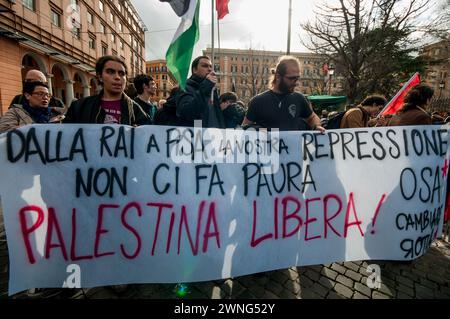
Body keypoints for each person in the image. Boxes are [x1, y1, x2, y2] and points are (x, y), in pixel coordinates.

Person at [242, 56, 324, 132]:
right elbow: (245, 126)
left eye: (297, 78)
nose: (296, 82)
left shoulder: (299, 98)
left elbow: (312, 117)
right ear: (278, 76)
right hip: (268, 146)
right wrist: (263, 132)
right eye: (292, 78)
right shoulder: (257, 101)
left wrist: (316, 126)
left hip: (293, 147)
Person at [64, 55, 150, 125]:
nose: (117, 77)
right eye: (110, 72)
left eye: (121, 73)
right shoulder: (79, 107)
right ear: (100, 77)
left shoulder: (137, 111)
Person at [176, 56, 225, 128]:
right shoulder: (185, 87)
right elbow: (187, 113)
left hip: (215, 136)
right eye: (205, 66)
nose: (209, 69)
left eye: (211, 67)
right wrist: (205, 88)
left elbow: (217, 116)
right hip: (197, 135)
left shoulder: (212, 90)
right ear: (195, 70)